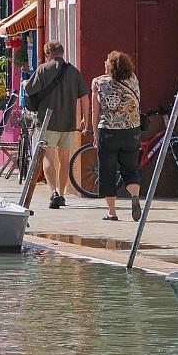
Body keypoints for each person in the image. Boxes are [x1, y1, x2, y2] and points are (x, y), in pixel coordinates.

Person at [24, 40, 90, 209]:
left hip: (47, 121)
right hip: (68, 122)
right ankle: (62, 194)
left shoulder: (43, 70)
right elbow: (84, 97)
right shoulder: (74, 72)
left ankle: (53, 192)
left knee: (48, 157)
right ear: (61, 52)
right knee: (64, 158)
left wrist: (25, 83)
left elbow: (30, 89)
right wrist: (85, 119)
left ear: (48, 54)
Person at [91, 51, 143, 222]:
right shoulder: (133, 79)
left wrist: (94, 134)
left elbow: (95, 111)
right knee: (131, 169)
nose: (104, 63)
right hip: (132, 131)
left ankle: (112, 212)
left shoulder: (99, 83)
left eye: (107, 61)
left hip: (108, 131)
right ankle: (134, 196)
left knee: (107, 172)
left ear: (111, 66)